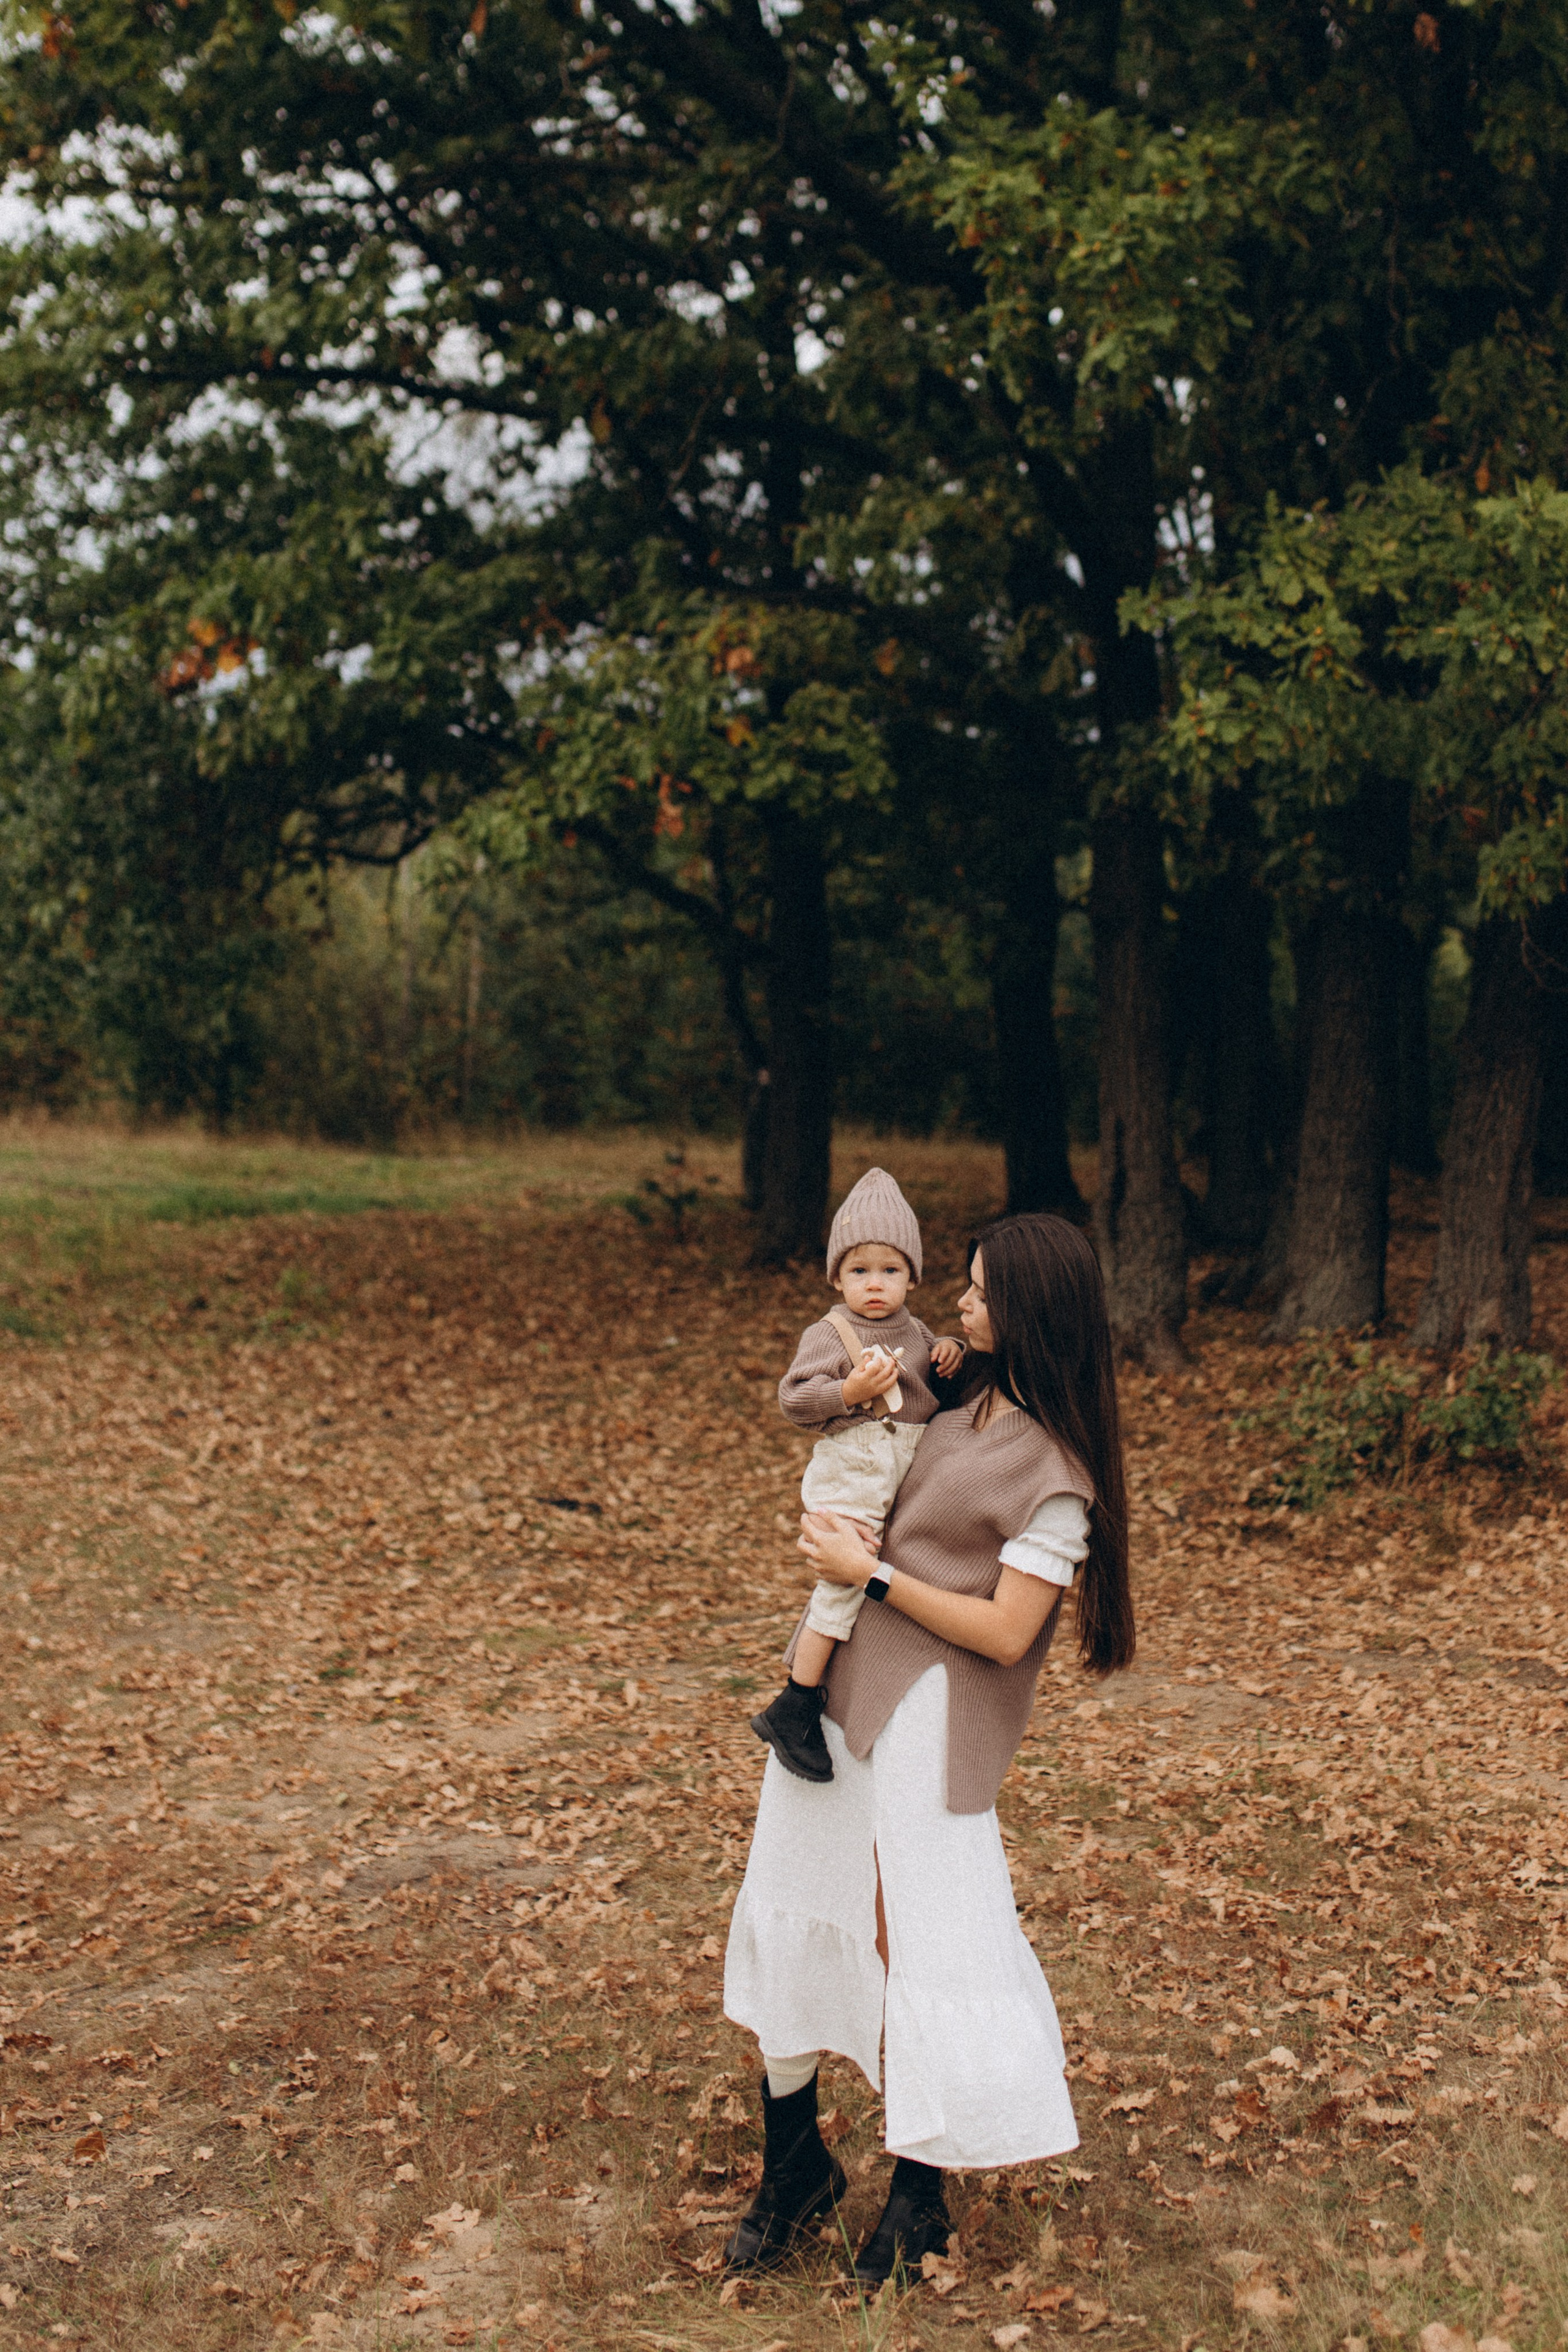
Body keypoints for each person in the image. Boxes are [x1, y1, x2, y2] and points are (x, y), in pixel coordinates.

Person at [722, 1213, 1134, 2288]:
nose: (960, 1304)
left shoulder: (1055, 1471)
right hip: (842, 1694)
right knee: (800, 1893)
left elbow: (1005, 1631)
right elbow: (857, 1427)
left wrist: (874, 1578)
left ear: (1032, 1315)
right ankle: (795, 2164)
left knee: (922, 1938)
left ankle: (919, 2194)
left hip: (934, 1722)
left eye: (982, 1293)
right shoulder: (962, 1396)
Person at [750, 1167, 964, 1782]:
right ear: (837, 1276)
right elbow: (794, 1401)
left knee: (877, 1581)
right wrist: (847, 1390)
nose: (875, 1285)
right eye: (860, 1271)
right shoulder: (831, 1332)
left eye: (890, 1271)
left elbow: (933, 1382)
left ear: (912, 1277)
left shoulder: (917, 1331)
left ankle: (843, 1688)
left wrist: (949, 1350)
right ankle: (795, 1701)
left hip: (903, 1468)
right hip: (854, 1469)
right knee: (844, 1584)